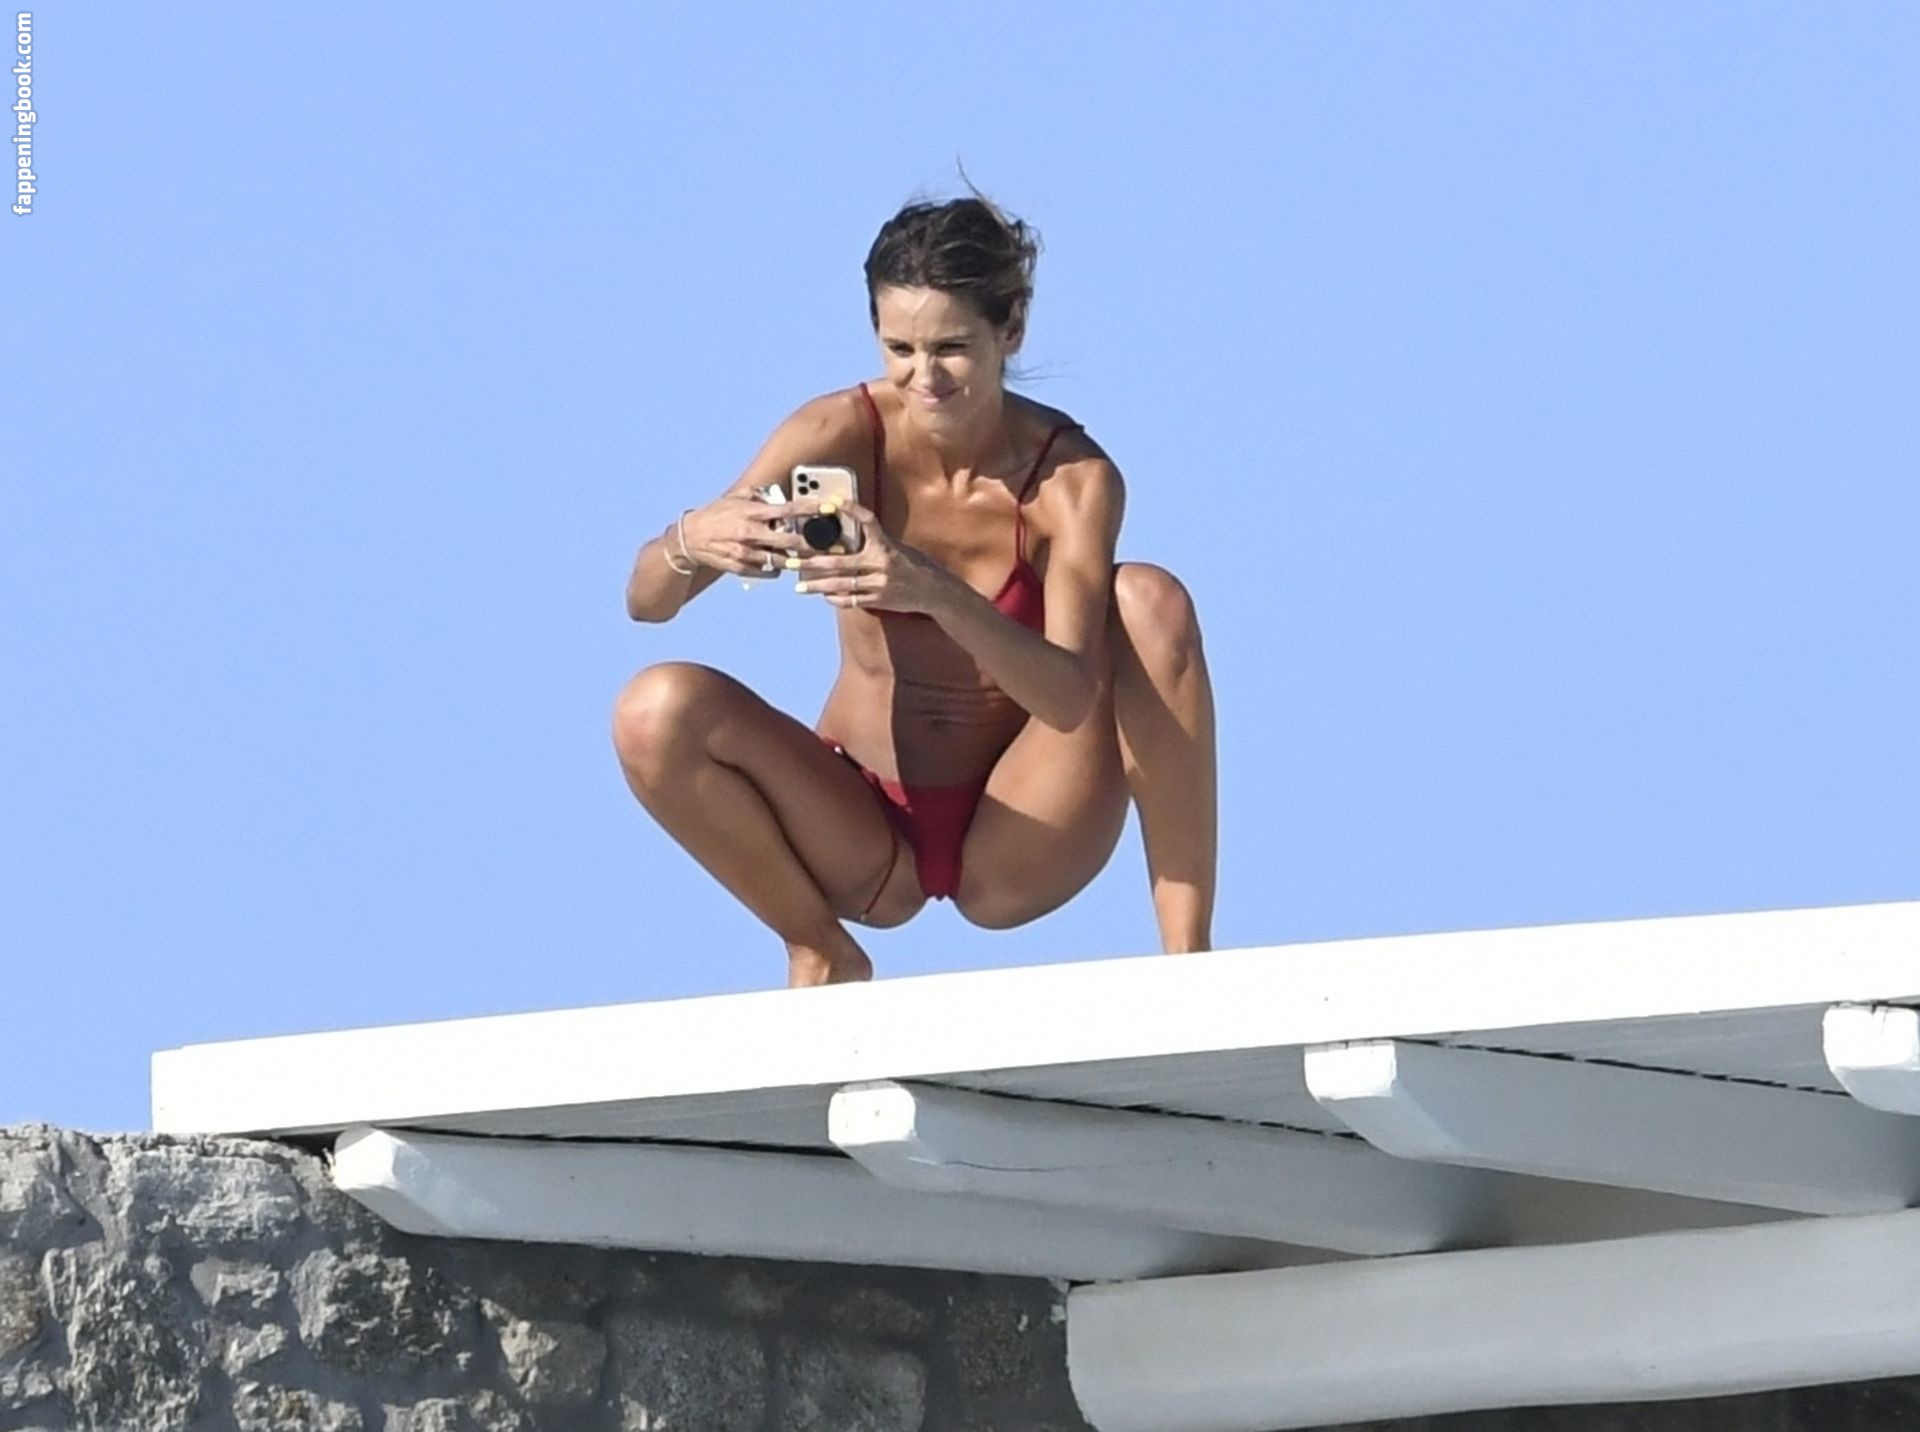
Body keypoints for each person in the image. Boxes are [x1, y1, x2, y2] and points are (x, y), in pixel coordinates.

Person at [614, 193, 1217, 988]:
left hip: (1023, 832)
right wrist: (692, 539)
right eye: (899, 347)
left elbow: (1071, 699)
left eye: (951, 349)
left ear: (1011, 331)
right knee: (653, 710)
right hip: (861, 831)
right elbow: (647, 602)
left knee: (1148, 599)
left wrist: (930, 589)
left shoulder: (1071, 479)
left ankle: (1189, 966)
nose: (923, 377)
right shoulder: (835, 433)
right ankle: (819, 947)